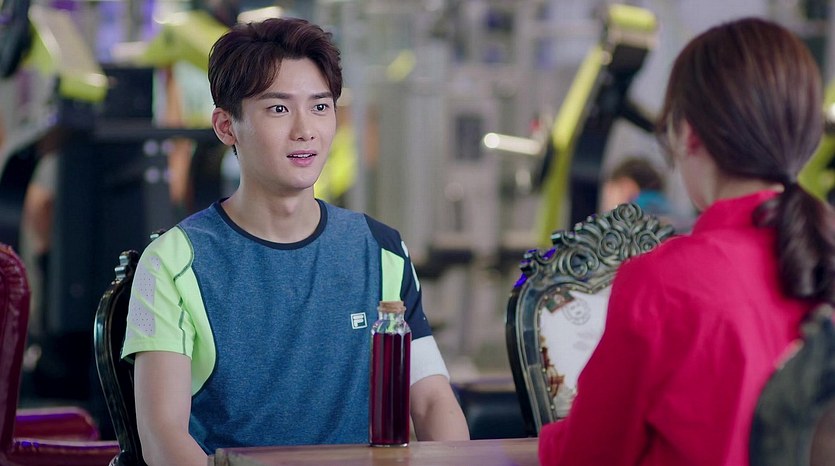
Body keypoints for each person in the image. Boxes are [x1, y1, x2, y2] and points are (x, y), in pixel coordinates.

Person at [122, 17, 469, 465]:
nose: (305, 129)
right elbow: (163, 438)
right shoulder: (172, 262)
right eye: (279, 109)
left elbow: (432, 401)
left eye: (320, 107)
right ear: (226, 126)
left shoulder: (380, 249)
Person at [539, 17, 835, 466]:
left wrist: (545, 440)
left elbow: (589, 455)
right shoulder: (819, 252)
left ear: (689, 133)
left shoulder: (664, 282)